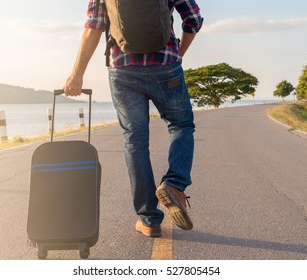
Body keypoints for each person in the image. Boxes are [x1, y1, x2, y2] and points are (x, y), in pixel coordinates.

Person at [64, 0, 203, 237]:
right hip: (165, 65)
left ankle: (149, 219)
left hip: (122, 70)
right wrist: (177, 54)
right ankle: (174, 184)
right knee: (180, 125)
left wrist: (77, 74)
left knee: (135, 141)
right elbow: (193, 19)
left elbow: (94, 26)